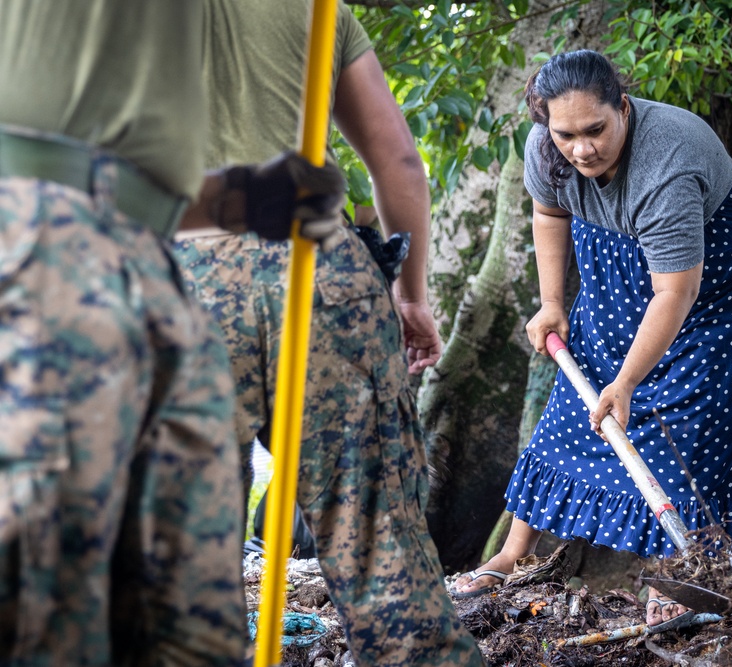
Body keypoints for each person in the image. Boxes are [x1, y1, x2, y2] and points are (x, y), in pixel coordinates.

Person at [0, 2, 346, 665]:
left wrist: (229, 199)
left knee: (187, 628)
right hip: (32, 245)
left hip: (148, 256)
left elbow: (106, 160)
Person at [172, 2, 484, 666]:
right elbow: (398, 157)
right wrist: (412, 291)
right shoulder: (316, 10)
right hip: (319, 269)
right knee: (380, 543)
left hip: (177, 278)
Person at [448, 50, 732, 629]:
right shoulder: (546, 150)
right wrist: (553, 302)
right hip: (615, 254)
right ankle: (512, 553)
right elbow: (549, 215)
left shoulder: (668, 164)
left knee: (689, 415)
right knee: (580, 396)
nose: (581, 149)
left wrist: (628, 383)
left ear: (623, 107)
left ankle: (678, 573)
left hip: (714, 276)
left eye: (596, 130)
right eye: (566, 134)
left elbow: (675, 293)